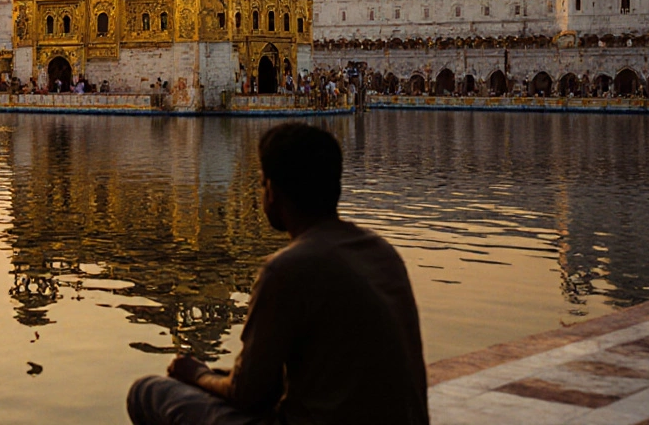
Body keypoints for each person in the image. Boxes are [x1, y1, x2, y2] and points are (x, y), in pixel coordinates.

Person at [127, 123, 428, 425]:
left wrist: (198, 373)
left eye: (261, 183)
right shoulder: (382, 252)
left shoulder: (286, 268)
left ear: (272, 191)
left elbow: (248, 394)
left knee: (148, 392)